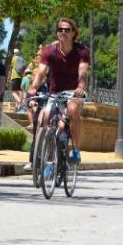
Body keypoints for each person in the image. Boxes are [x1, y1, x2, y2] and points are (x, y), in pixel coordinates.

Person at [27, 17, 90, 165]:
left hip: (74, 92)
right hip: (54, 92)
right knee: (44, 118)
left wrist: (81, 87)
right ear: (57, 33)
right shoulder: (49, 51)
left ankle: (75, 149)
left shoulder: (82, 51)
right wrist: (34, 87)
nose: (63, 32)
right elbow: (41, 72)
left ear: (74, 33)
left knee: (73, 110)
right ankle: (48, 161)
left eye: (67, 30)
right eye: (60, 29)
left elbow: (83, 72)